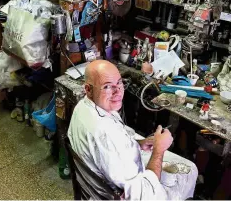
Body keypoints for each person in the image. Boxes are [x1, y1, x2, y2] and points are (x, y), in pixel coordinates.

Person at [68, 60, 198, 200]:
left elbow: (113, 141)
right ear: (88, 89)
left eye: (119, 82)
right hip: (126, 192)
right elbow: (147, 195)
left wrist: (139, 142)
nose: (118, 91)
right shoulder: (106, 135)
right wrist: (158, 150)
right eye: (107, 87)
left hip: (101, 178)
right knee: (190, 169)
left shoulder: (82, 106)